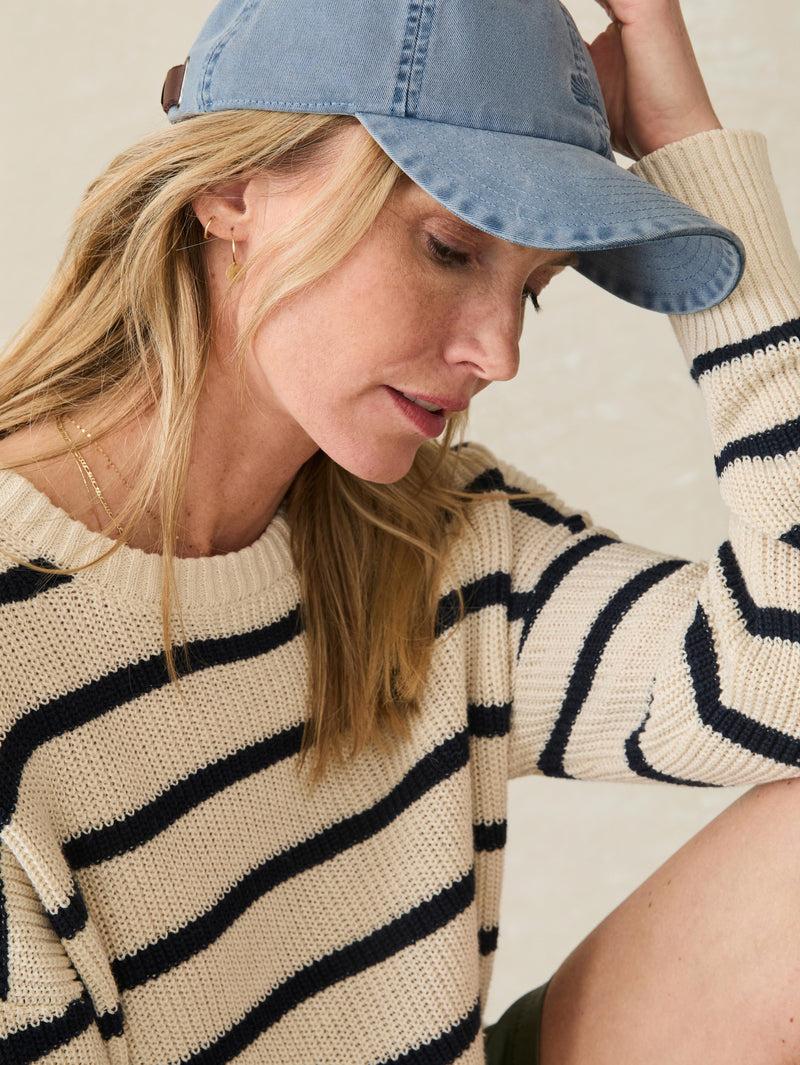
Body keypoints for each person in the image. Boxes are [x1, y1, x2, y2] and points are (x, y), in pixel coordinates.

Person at [0, 0, 797, 1062]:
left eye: (532, 289)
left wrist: (685, 142)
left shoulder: (437, 542)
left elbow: (779, 674)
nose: (500, 355)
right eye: (448, 249)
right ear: (232, 191)